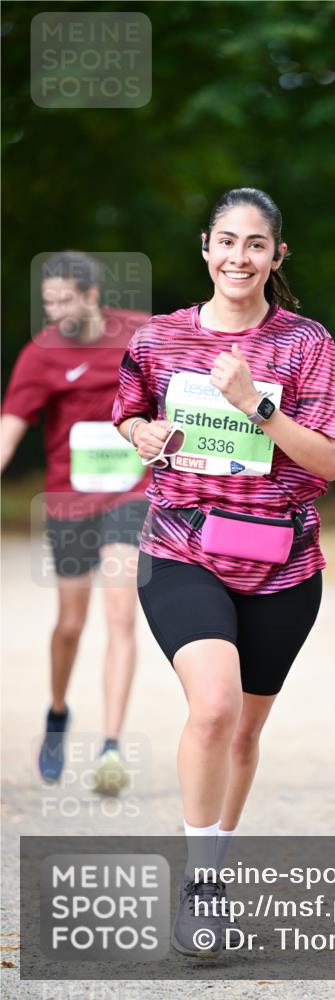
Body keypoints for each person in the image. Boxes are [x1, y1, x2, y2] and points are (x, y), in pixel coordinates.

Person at [112, 187, 335, 957]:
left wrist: (259, 409)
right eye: (226, 241)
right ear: (205, 249)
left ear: (276, 256)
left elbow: (331, 463)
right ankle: (198, 885)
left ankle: (212, 870)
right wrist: (143, 433)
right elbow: (129, 410)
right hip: (181, 548)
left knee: (244, 733)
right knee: (211, 708)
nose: (238, 257)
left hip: (282, 562)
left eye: (255, 245)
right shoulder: (160, 337)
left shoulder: (305, 344)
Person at [1, 252, 150, 794]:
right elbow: (9, 430)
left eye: (66, 300)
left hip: (130, 496)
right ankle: (58, 712)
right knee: (70, 625)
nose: (56, 311)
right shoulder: (40, 355)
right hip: (69, 502)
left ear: (91, 296)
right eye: (48, 302)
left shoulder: (138, 336)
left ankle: (111, 746)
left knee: (121, 616)